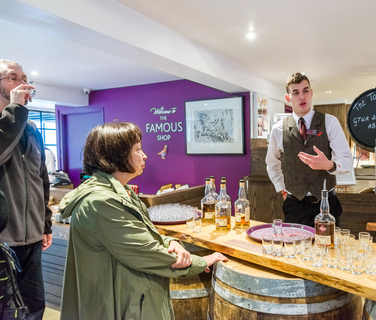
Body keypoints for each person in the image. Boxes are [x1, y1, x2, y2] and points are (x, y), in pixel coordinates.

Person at [59, 122, 227, 319]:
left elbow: (145, 232)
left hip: (130, 296)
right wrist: (200, 261)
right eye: (138, 149)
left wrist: (172, 242)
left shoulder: (121, 191)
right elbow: (145, 251)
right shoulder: (101, 202)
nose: (145, 155)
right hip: (118, 304)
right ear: (117, 156)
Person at [0, 59, 52, 319]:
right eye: (13, 78)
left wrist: (45, 222)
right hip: (3, 242)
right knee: (6, 310)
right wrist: (15, 111)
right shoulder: (9, 123)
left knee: (33, 307)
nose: (23, 83)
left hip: (31, 238)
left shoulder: (31, 129)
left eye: (24, 78)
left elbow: (41, 178)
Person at [266, 72, 353, 227]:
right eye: (296, 92)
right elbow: (272, 163)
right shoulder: (278, 129)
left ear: (311, 93)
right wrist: (282, 190)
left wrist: (329, 165)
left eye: (305, 91)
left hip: (327, 204)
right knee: (295, 249)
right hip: (295, 205)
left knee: (328, 248)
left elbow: (346, 160)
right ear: (288, 98)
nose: (302, 96)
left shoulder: (330, 122)